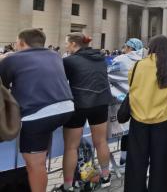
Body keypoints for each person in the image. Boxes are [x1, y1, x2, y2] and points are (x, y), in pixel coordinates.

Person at [0, 29, 74, 192]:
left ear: (20, 42)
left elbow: (3, 88)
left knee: (35, 164)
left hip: (38, 113)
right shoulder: (55, 55)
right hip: (67, 108)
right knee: (41, 155)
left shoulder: (12, 59)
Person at [124, 35, 167, 192]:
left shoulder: (138, 65)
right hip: (163, 121)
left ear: (151, 47)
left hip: (138, 119)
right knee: (160, 164)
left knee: (136, 162)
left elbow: (131, 84)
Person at [59, 33, 113, 191]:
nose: (66, 47)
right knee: (101, 141)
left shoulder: (68, 61)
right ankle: (105, 176)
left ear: (74, 44)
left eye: (67, 43)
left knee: (70, 147)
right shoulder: (101, 57)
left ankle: (68, 185)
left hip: (78, 104)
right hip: (100, 102)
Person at [107, 38, 144, 168]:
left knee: (126, 131)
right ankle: (137, 158)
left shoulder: (121, 59)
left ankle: (124, 159)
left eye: (126, 46)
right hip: (142, 100)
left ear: (129, 48)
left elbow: (109, 75)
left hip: (125, 100)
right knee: (137, 130)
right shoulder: (144, 59)